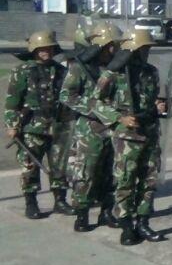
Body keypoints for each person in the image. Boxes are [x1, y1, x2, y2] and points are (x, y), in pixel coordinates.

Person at [92, 28, 167, 245]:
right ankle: (126, 225)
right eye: (142, 49)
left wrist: (158, 105)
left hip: (150, 132)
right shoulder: (112, 74)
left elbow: (153, 97)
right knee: (126, 181)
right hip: (126, 136)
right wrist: (118, 118)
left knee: (149, 180)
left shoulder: (151, 72)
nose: (145, 53)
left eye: (147, 49)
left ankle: (143, 221)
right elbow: (96, 102)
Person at [64, 22, 123, 232]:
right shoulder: (79, 67)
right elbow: (67, 95)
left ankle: (107, 212)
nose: (113, 50)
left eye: (115, 46)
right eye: (110, 46)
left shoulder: (117, 68)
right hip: (90, 129)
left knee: (113, 172)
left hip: (115, 127)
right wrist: (95, 109)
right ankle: (82, 213)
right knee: (86, 172)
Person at [4, 29, 69, 219]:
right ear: (34, 49)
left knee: (59, 165)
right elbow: (12, 102)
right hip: (32, 127)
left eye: (49, 48)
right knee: (30, 166)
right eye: (41, 48)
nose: (45, 52)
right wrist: (12, 125)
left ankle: (60, 200)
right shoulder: (22, 71)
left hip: (57, 125)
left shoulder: (60, 70)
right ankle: (31, 203)